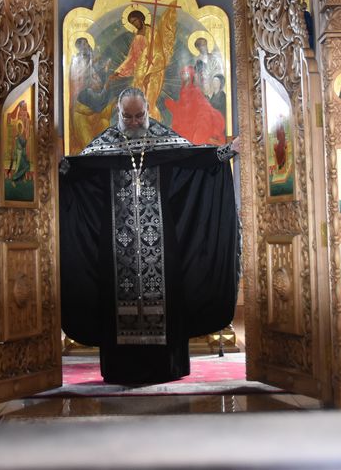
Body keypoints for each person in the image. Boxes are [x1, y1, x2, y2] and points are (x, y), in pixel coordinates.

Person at [59, 87, 240, 385]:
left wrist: (226, 152)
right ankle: (120, 369)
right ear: (118, 113)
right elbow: (81, 172)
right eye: (127, 116)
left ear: (148, 111)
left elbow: (194, 159)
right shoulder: (104, 144)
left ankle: (167, 367)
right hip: (116, 248)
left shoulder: (163, 139)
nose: (133, 122)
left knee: (166, 297)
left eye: (139, 116)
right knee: (116, 301)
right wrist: (62, 167)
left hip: (162, 243)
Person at [107, 7, 177, 121]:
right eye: (132, 23)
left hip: (154, 70)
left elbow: (158, 53)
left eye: (135, 20)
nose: (134, 24)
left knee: (149, 100)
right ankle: (140, 123)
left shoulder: (152, 32)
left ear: (141, 18)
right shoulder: (137, 35)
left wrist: (149, 73)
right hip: (140, 71)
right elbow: (132, 57)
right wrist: (118, 72)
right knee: (139, 99)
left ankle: (153, 123)